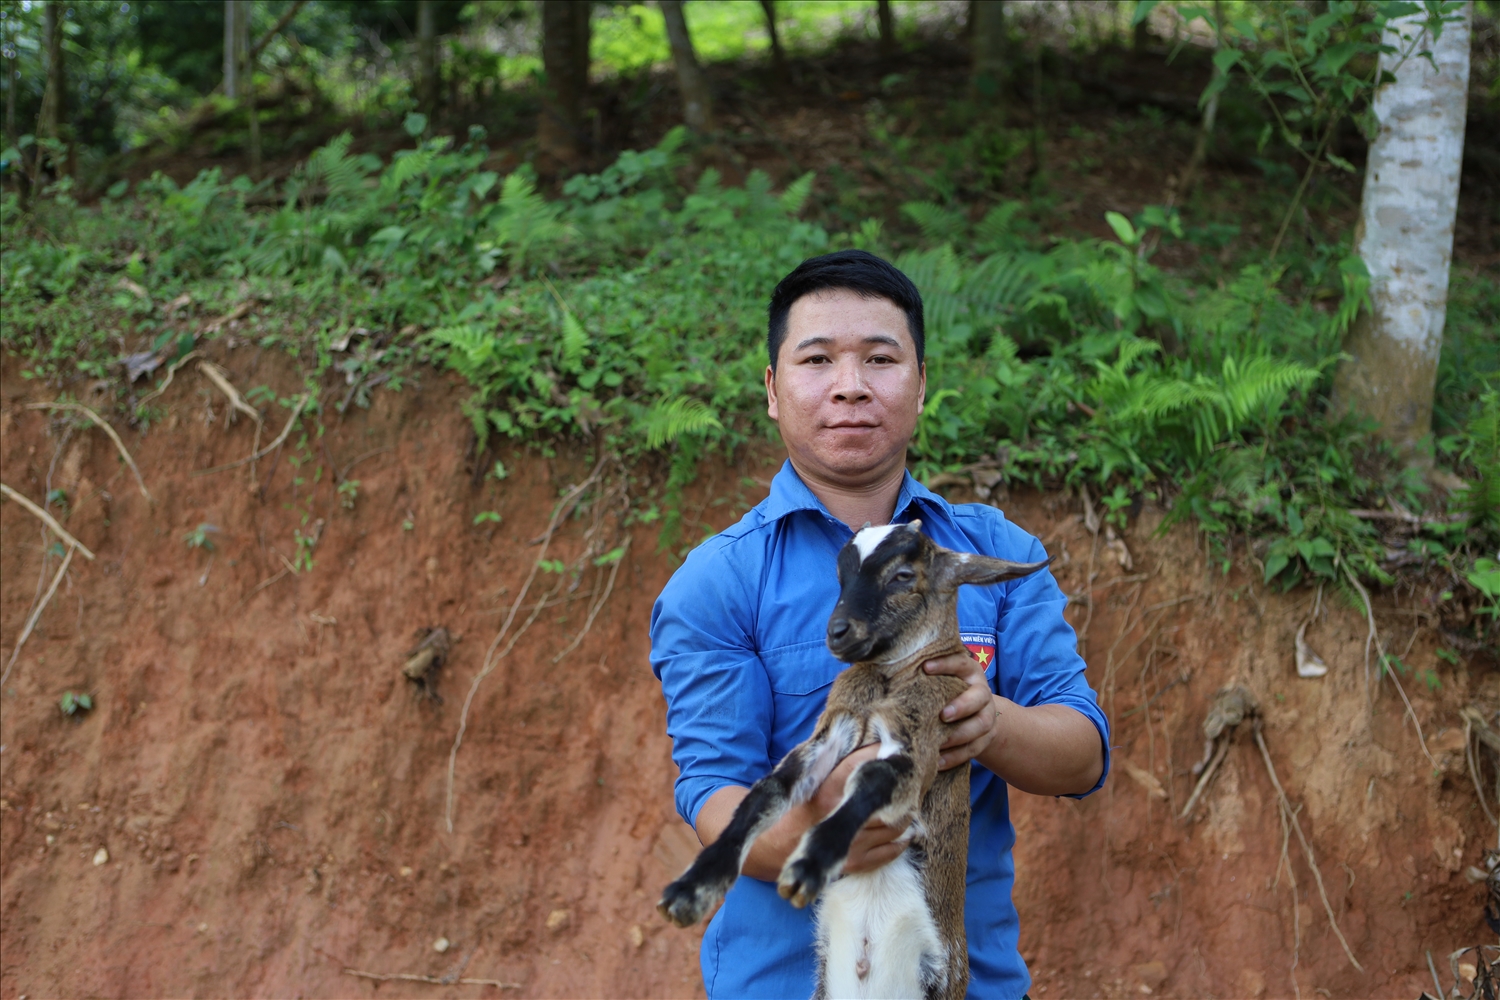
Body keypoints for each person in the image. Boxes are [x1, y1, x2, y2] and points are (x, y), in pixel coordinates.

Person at [650, 249, 1109, 999]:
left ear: (922, 384)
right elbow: (714, 793)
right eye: (818, 359)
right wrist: (821, 837)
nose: (850, 386)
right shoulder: (718, 581)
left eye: (880, 359)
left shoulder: (997, 555)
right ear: (772, 389)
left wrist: (990, 724)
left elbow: (1083, 753)